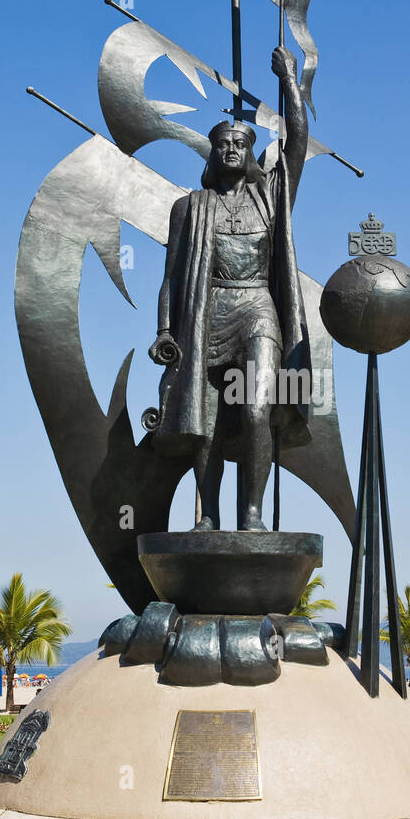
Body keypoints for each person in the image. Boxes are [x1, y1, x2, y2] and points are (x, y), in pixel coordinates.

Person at [148, 46, 312, 531]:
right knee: (207, 421)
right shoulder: (190, 207)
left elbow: (298, 140)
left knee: (259, 408)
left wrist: (289, 82)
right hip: (207, 311)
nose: (232, 150)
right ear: (213, 153)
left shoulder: (273, 195)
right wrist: (163, 329)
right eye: (223, 144)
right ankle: (207, 517)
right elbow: (173, 276)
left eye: (241, 143)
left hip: (258, 309)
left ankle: (254, 515)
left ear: (249, 150)